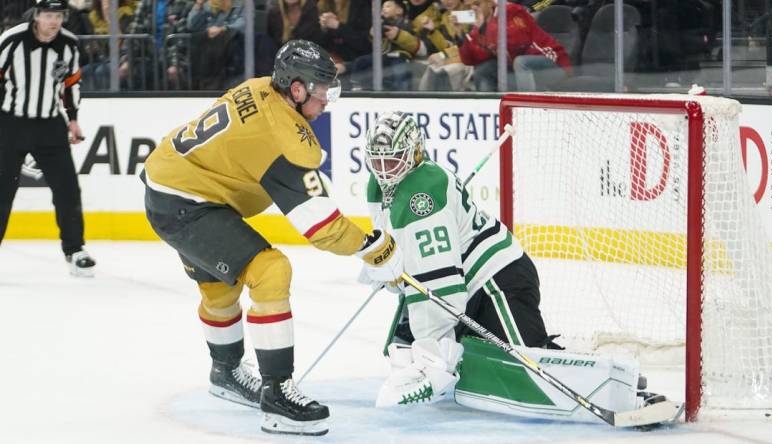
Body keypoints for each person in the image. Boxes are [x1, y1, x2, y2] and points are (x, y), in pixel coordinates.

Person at [141, 40, 402, 436]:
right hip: (188, 203)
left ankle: (225, 373)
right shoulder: (284, 139)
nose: (327, 102)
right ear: (295, 90)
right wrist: (374, 248)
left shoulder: (262, 87)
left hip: (174, 185)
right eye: (321, 92)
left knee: (219, 288)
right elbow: (323, 230)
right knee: (271, 271)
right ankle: (277, 395)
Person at [361, 112, 663, 420]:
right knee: (417, 348)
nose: (385, 170)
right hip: (466, 281)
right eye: (378, 161)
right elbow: (401, 256)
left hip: (496, 278)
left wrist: (433, 352)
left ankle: (623, 387)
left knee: (529, 361)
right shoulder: (378, 186)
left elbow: (438, 281)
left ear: (414, 151)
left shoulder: (422, 194)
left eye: (394, 159)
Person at [0, 0, 96, 278]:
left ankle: (75, 250)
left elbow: (71, 82)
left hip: (50, 126)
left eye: (58, 16)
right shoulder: (12, 40)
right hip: (10, 124)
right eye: (48, 15)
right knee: (3, 193)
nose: (53, 21)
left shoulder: (68, 43)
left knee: (68, 190)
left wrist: (74, 119)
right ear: (37, 16)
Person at [458, 0, 571, 91]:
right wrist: (459, 37)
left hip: (555, 65)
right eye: (469, 6)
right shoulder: (480, 26)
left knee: (521, 62)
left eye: (477, 4)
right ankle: (491, 110)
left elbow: (518, 41)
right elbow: (471, 59)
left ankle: (525, 110)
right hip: (520, 70)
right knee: (484, 70)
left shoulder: (511, 10)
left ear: (490, 2)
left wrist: (484, 28)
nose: (474, 9)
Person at [186, 0, 246, 89]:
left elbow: (244, 24)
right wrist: (199, 4)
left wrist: (223, 29)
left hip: (234, 54)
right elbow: (191, 25)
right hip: (210, 57)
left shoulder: (242, 4)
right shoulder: (209, 4)